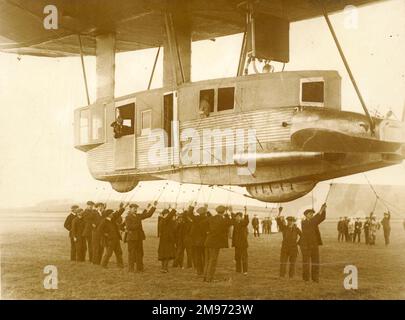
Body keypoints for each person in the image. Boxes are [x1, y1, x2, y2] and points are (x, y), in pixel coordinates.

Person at [124, 201, 157, 272]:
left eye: (136, 208)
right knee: (132, 254)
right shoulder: (127, 217)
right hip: (132, 238)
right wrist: (137, 225)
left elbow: (148, 215)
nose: (135, 209)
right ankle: (131, 269)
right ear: (130, 209)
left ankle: (140, 268)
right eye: (134, 208)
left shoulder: (138, 216)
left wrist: (153, 207)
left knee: (140, 253)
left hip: (139, 238)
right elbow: (129, 227)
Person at [203, 205, 233, 282]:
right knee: (213, 260)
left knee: (208, 260)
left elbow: (203, 223)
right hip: (215, 243)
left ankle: (205, 277)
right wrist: (231, 211)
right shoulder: (223, 220)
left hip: (208, 241)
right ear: (223, 212)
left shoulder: (211, 218)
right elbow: (232, 222)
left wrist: (207, 231)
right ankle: (209, 278)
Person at [299, 203, 327, 283]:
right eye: (310, 214)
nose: (311, 215)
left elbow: (321, 218)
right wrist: (320, 210)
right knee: (306, 263)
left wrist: (324, 210)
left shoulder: (314, 221)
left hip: (314, 245)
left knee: (316, 262)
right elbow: (315, 220)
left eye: (312, 214)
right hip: (305, 246)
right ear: (306, 215)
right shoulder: (304, 222)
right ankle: (306, 279)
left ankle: (315, 279)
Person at [276, 211, 301, 279]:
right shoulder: (284, 227)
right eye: (289, 221)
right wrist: (279, 213)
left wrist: (298, 243)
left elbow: (303, 236)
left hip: (293, 248)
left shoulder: (297, 229)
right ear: (287, 221)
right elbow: (279, 222)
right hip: (285, 248)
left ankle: (291, 276)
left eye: (292, 221)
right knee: (283, 262)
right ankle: (282, 275)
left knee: (292, 263)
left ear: (294, 222)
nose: (290, 222)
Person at [186, 203, 209, 276]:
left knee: (198, 257)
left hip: (196, 242)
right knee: (205, 256)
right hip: (205, 241)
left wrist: (192, 205)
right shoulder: (207, 219)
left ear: (199, 213)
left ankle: (199, 271)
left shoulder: (196, 219)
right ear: (205, 213)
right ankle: (206, 271)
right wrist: (206, 208)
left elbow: (189, 213)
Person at [158, 207, 177, 272]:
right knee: (166, 254)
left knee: (164, 254)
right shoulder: (164, 220)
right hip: (166, 240)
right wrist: (174, 209)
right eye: (167, 214)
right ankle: (165, 268)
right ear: (164, 214)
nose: (168, 215)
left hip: (165, 240)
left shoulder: (163, 220)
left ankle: (163, 268)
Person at [231, 208, 249, 275]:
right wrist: (231, 211)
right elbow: (232, 219)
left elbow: (247, 221)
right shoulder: (235, 223)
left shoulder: (243, 223)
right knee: (237, 257)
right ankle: (238, 270)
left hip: (243, 244)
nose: (237, 218)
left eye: (238, 216)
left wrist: (246, 212)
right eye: (236, 216)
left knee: (244, 258)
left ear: (241, 217)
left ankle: (245, 271)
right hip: (237, 244)